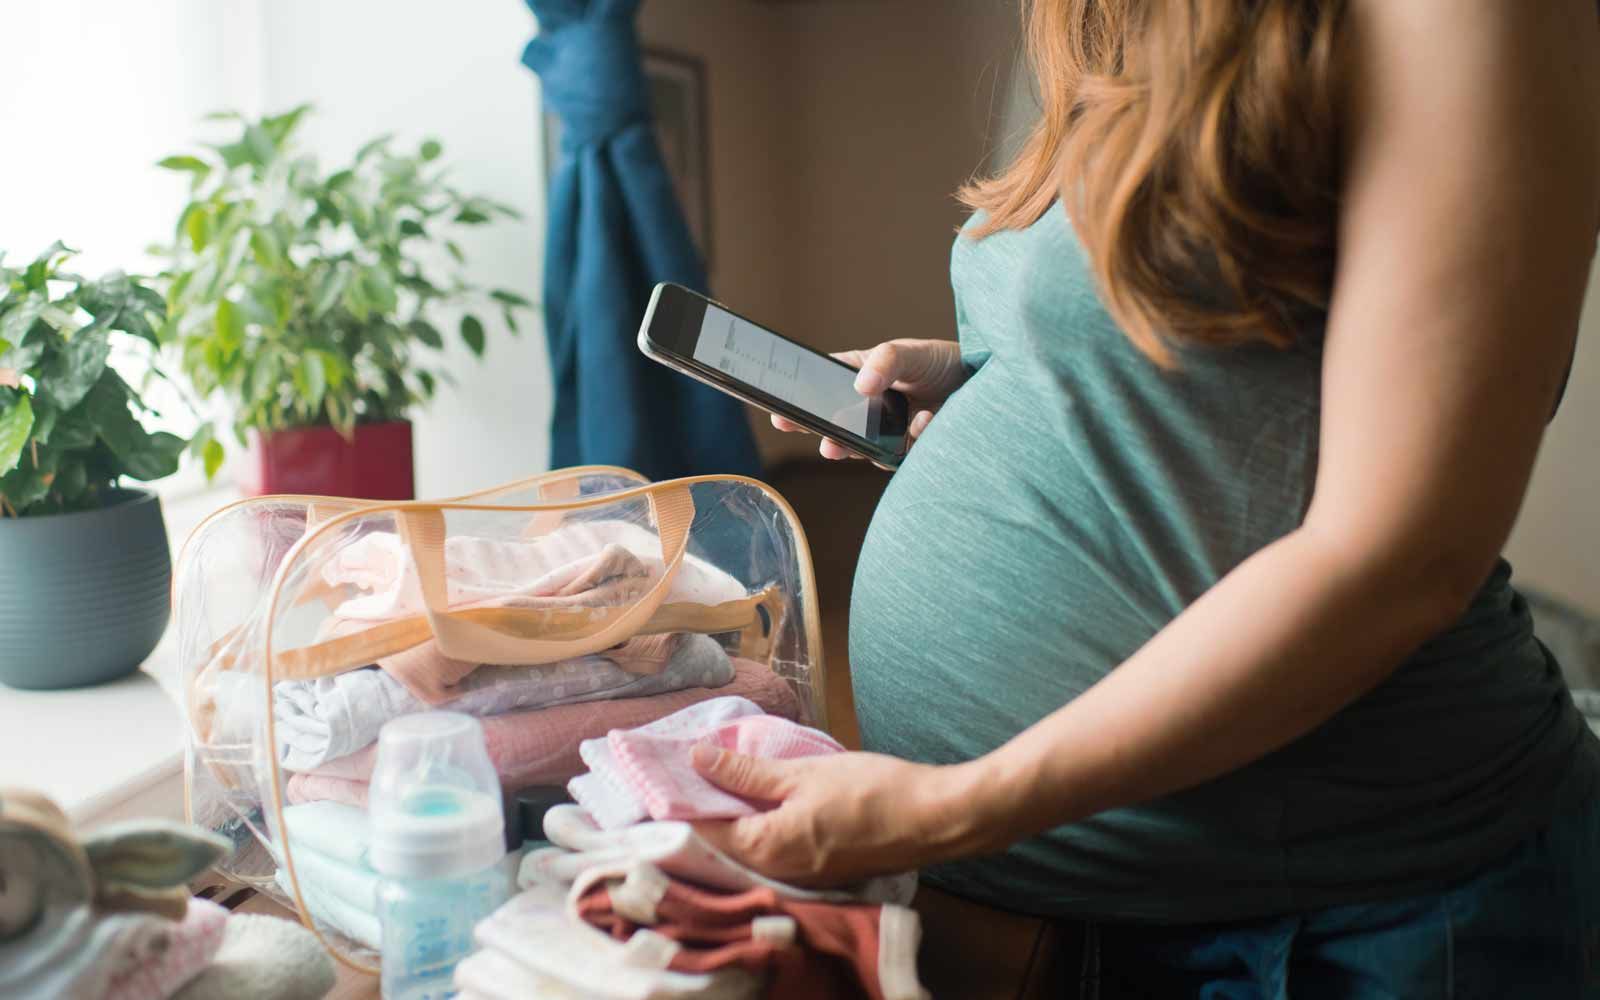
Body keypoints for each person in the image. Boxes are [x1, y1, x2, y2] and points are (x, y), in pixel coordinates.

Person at [687, 0, 1600, 994]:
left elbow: (1401, 562)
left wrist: (949, 807)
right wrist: (1002, 379)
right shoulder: (1130, 20)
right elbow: (1220, 354)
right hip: (1065, 900)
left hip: (1345, 920)